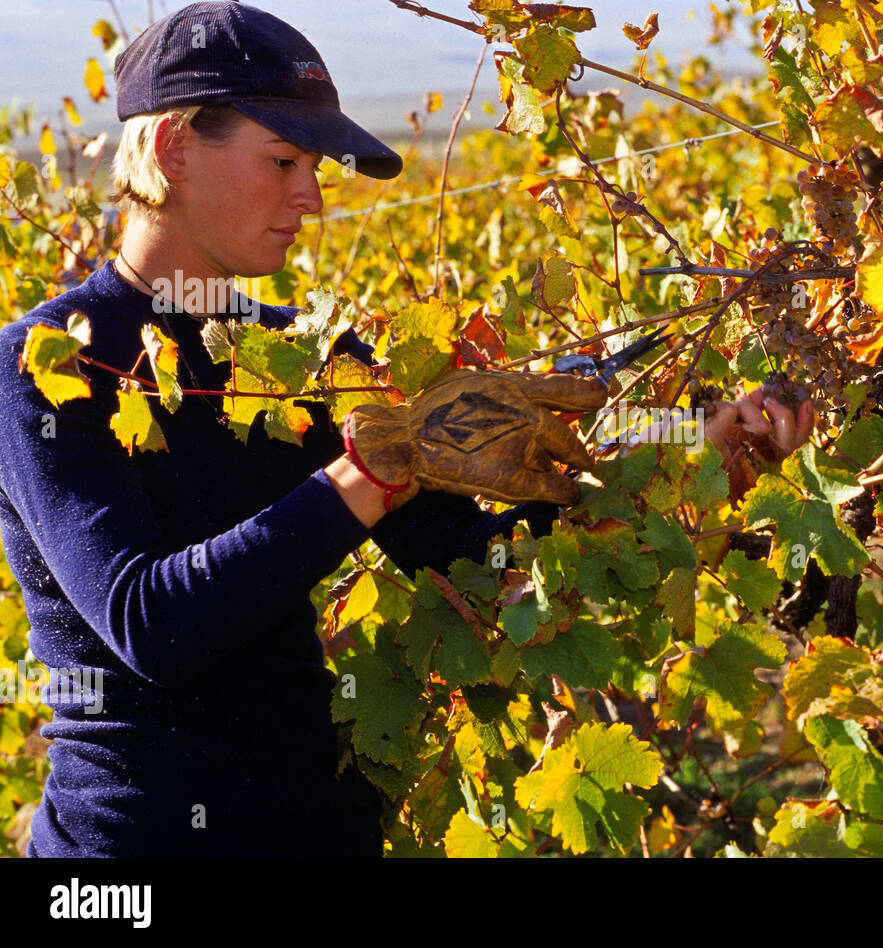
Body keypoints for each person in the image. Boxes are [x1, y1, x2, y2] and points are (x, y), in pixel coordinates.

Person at [0, 1, 813, 857]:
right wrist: (372, 476)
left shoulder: (308, 361)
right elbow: (151, 625)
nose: (310, 197)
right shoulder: (48, 368)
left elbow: (483, 554)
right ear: (172, 149)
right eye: (283, 161)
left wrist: (695, 459)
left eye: (314, 166)